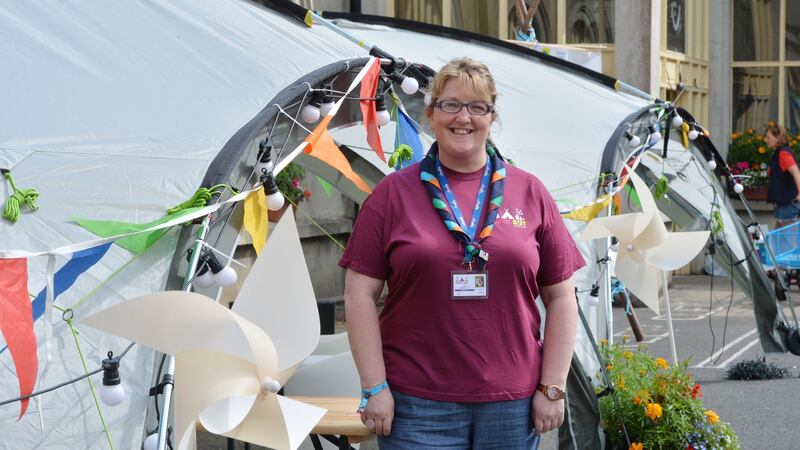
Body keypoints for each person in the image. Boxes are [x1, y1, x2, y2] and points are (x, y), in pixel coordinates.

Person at [339, 57, 585, 449]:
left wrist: (553, 386)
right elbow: (358, 294)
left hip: (512, 403)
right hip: (415, 405)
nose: (463, 118)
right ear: (431, 114)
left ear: (492, 117)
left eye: (477, 107)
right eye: (450, 104)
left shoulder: (530, 192)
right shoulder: (392, 195)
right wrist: (374, 386)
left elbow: (562, 296)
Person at [766, 122, 800, 229]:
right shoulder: (778, 153)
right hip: (783, 204)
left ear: (778, 138)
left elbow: (796, 173)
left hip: (788, 204)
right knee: (779, 237)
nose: (766, 140)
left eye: (768, 137)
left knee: (788, 240)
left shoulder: (783, 154)